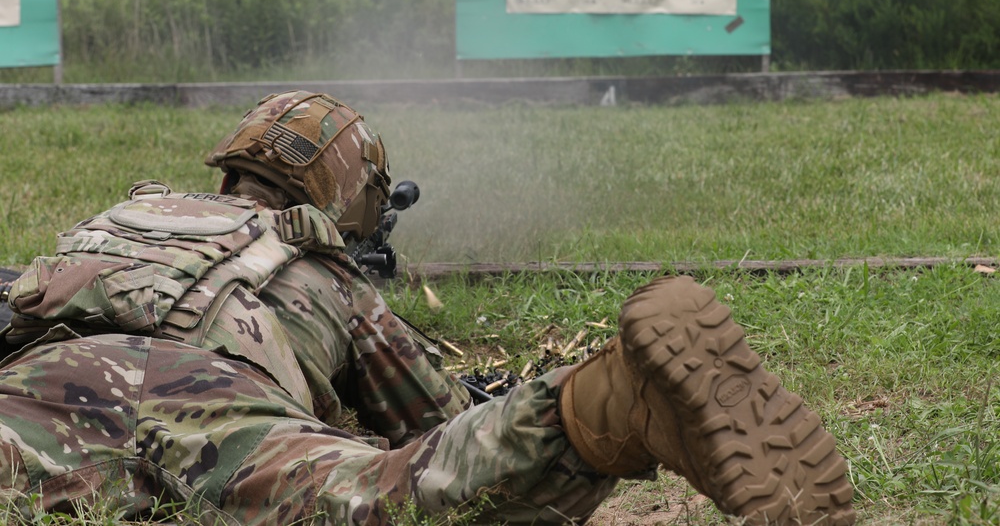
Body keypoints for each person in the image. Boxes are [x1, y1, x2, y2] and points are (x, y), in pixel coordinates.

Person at [0, 91, 856, 525]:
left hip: (44, 381)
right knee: (379, 492)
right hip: (213, 396)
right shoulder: (323, 266)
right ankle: (607, 404)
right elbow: (431, 423)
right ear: (346, 194)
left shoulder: (119, 218)